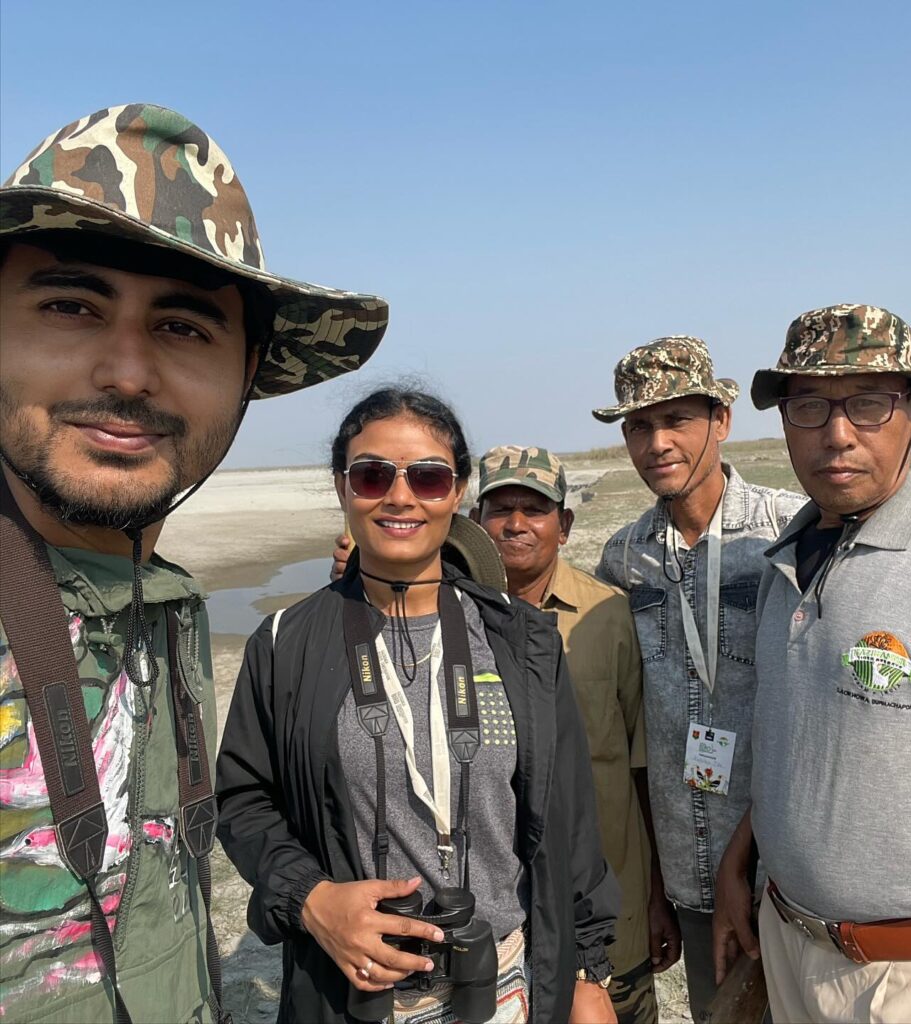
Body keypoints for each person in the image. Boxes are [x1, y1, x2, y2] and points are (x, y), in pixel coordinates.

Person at [0, 104, 388, 1023]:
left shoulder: (165, 599)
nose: (129, 371)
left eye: (183, 327)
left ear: (247, 371)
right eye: (70, 305)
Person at [216, 389, 620, 1024]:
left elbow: (568, 823)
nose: (399, 497)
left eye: (428, 477)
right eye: (373, 474)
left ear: (456, 492)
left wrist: (588, 973)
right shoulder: (284, 644)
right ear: (342, 486)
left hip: (507, 984)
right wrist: (311, 899)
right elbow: (244, 801)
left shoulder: (523, 641)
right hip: (354, 994)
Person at [712, 304, 911, 1023]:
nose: (837, 434)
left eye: (869, 403)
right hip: (787, 946)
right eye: (810, 406)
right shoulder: (781, 565)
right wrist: (741, 860)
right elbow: (801, 742)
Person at [591, 337, 804, 1023]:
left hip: (787, 870)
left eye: (677, 419)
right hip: (686, 869)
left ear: (722, 419)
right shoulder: (623, 557)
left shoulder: (787, 531)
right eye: (639, 426)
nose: (657, 442)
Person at [470, 445, 679, 1024]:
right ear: (474, 523)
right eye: (500, 508)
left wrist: (656, 897)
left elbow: (642, 771)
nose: (515, 524)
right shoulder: (446, 615)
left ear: (564, 525)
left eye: (535, 509)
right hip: (500, 916)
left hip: (606, 905)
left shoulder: (608, 616)